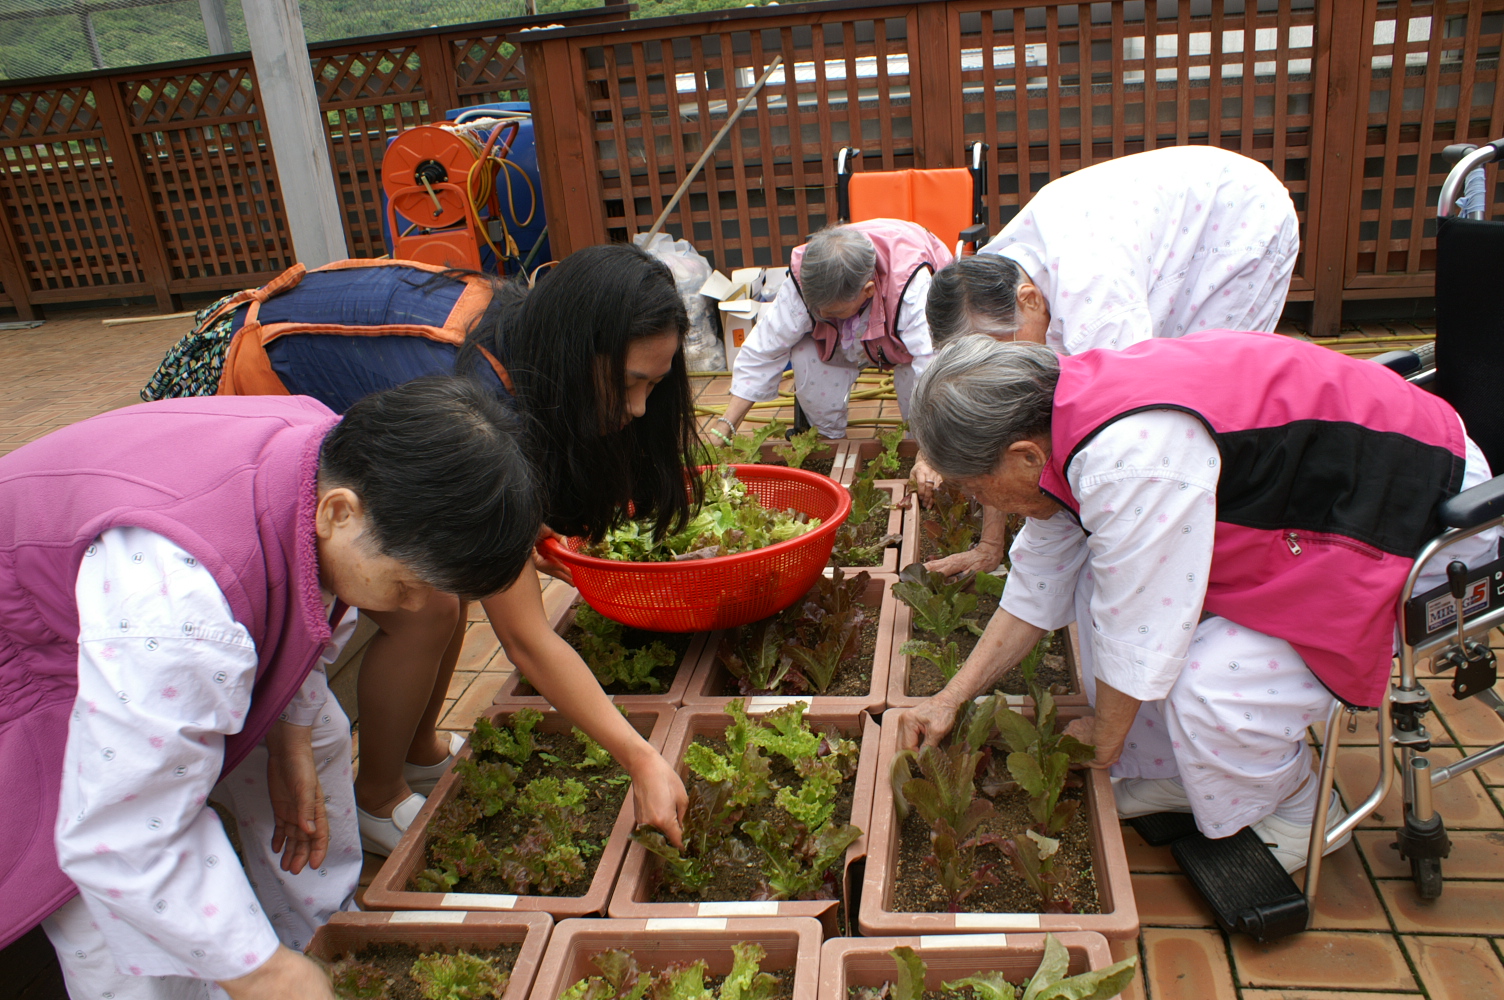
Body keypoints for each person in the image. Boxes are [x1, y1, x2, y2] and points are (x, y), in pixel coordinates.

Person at [142, 246, 697, 856]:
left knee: (444, 586)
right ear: (576, 352)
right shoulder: (478, 391)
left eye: (656, 383)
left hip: (310, 383)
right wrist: (640, 758)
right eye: (628, 383)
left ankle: (419, 750)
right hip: (242, 385)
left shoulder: (534, 344)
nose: (640, 408)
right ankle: (376, 797)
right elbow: (526, 640)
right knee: (424, 608)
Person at [0, 377, 542, 999]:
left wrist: (290, 734)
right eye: (406, 586)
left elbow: (299, 598)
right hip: (28, 650)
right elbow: (122, 831)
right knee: (106, 913)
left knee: (322, 738)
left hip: (115, 613)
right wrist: (260, 972)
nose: (418, 607)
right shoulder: (182, 610)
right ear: (339, 512)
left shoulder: (329, 456)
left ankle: (321, 934)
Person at [897, 331, 1497, 871]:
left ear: (1025, 456)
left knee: (1212, 682)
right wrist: (949, 700)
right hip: (1326, 507)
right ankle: (1178, 772)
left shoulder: (1126, 457)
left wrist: (1104, 743)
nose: (983, 502)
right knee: (1103, 599)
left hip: (1415, 525)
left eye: (979, 488)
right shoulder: (1063, 425)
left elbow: (1140, 632)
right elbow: (1038, 584)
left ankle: (1298, 810)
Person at [915, 145, 1301, 574]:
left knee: (1196, 395)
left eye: (1002, 346)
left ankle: (1207, 552)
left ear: (1028, 300)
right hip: (1156, 231)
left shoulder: (1095, 307)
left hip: (1238, 221)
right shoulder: (992, 278)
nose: (999, 363)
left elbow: (1123, 434)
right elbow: (995, 419)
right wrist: (991, 547)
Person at [712, 219, 951, 442]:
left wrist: (929, 451)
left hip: (906, 344)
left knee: (916, 379)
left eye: (834, 311)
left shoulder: (912, 288)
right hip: (843, 342)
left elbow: (931, 362)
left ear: (867, 291)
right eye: (818, 310)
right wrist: (725, 427)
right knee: (805, 352)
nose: (823, 316)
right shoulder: (806, 279)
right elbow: (764, 349)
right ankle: (828, 438)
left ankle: (922, 443)